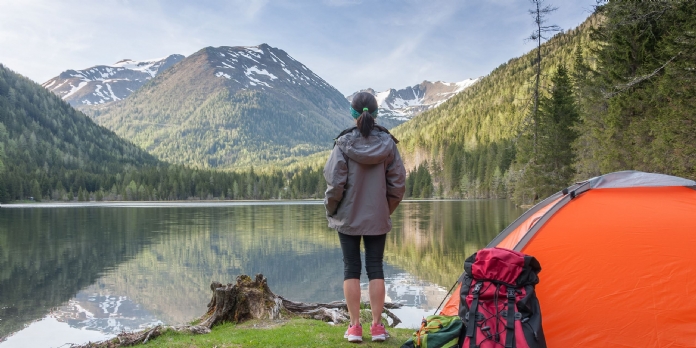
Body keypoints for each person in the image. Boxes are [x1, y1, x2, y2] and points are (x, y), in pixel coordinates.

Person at [323, 92, 406, 343]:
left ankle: (355, 327)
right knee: (376, 267)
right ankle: (378, 327)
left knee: (351, 268)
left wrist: (332, 208)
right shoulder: (388, 144)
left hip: (347, 217)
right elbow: (398, 185)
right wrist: (384, 209)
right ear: (375, 112)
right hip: (377, 217)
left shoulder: (343, 144)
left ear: (353, 113)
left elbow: (335, 183)